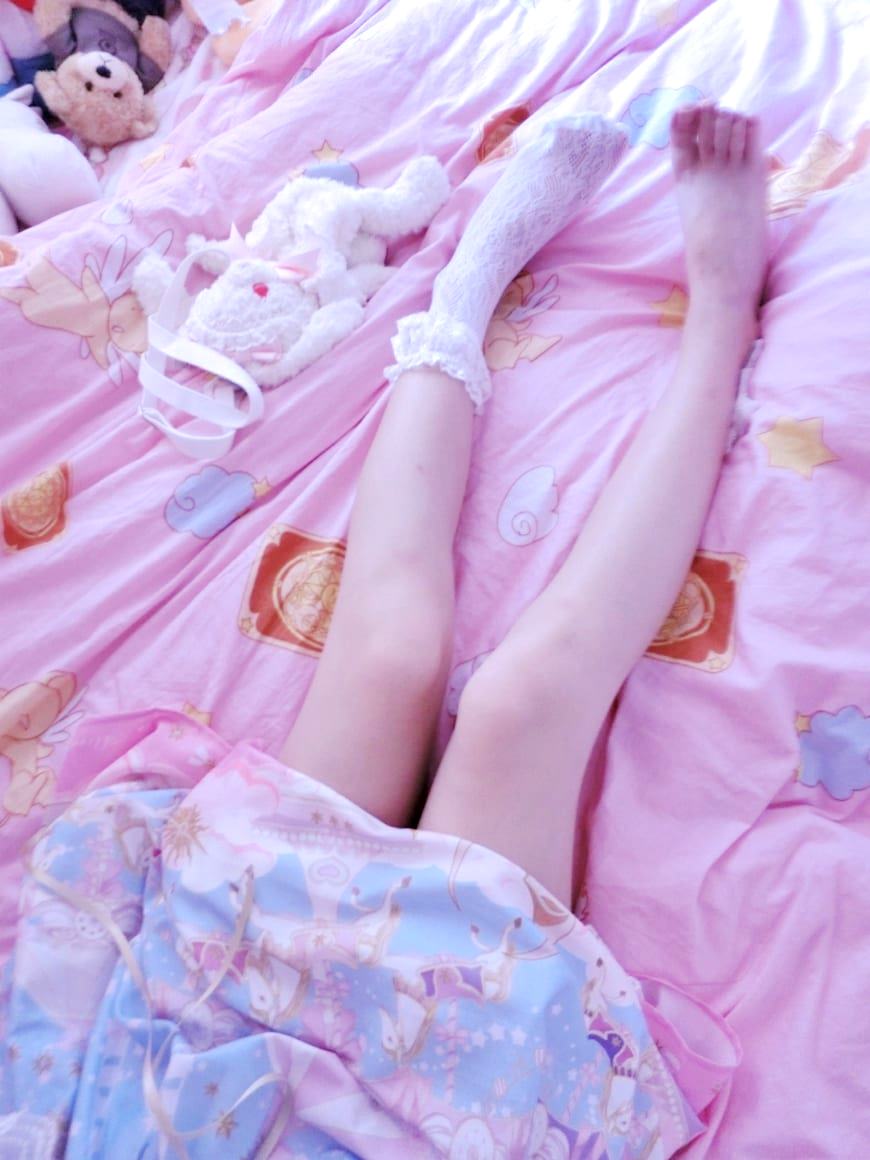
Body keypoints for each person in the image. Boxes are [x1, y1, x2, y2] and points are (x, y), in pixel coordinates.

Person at [0, 104, 765, 1158]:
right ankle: (721, 321)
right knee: (523, 705)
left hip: (201, 1043)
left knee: (392, 653)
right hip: (430, 1105)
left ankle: (464, 290)